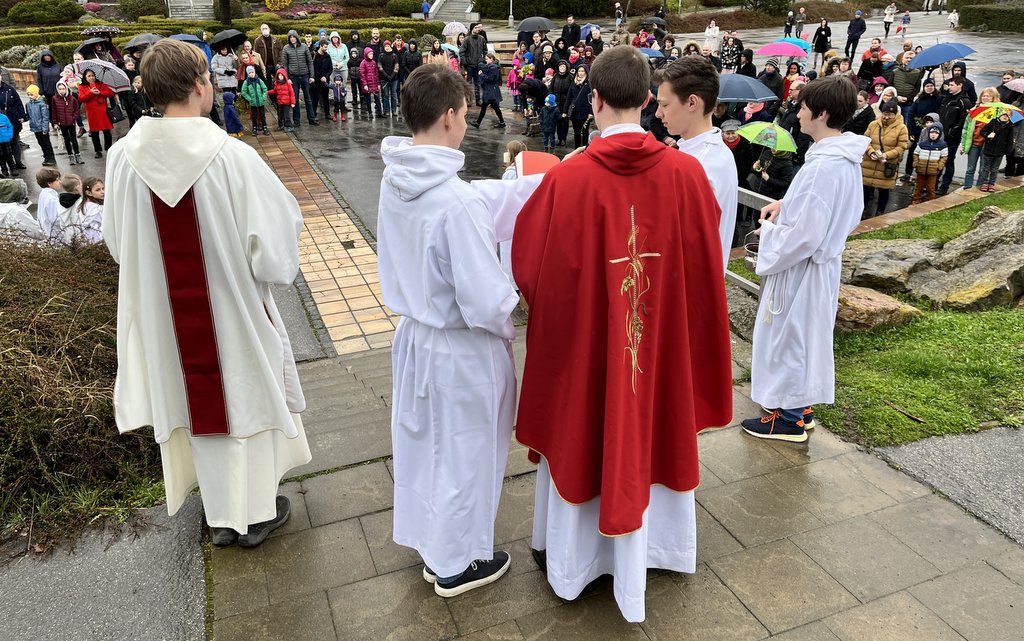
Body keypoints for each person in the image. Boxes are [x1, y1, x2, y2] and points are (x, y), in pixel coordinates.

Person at [512, 44, 731, 623]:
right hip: (657, 352)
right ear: (648, 101)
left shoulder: (566, 179)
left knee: (583, 421)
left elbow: (529, 269)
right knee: (653, 422)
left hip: (590, 353)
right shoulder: (687, 175)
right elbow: (706, 264)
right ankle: (660, 549)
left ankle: (576, 562)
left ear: (595, 99)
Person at [102, 38, 310, 548]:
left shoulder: (121, 159)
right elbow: (274, 250)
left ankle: (220, 515)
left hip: (166, 320)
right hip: (233, 310)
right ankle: (253, 516)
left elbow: (117, 244)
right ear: (200, 85)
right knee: (245, 398)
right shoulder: (232, 157)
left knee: (194, 406)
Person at [376, 61, 544, 597]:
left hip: (416, 338)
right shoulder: (455, 203)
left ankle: (434, 548)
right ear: (450, 116)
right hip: (461, 349)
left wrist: (540, 183)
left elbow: (482, 198)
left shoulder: (398, 177)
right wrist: (516, 308)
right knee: (465, 456)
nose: (467, 124)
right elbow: (486, 300)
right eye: (467, 115)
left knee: (426, 449)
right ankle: (457, 563)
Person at [742, 75, 868, 443]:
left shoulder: (822, 167)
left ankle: (789, 419)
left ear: (822, 113)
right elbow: (840, 210)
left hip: (802, 269)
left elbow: (805, 236)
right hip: (820, 267)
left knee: (790, 339)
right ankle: (801, 407)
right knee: (806, 336)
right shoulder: (840, 158)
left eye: (803, 107)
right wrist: (786, 204)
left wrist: (769, 235)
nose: (797, 114)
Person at [655, 56, 738, 265]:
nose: (658, 113)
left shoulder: (699, 166)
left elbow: (678, 243)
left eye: (664, 105)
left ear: (692, 102)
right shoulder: (716, 152)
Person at [862, 100, 909, 216]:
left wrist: (887, 155)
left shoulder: (902, 128)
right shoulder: (873, 124)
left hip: (886, 164)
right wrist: (871, 152)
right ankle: (862, 212)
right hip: (870, 163)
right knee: (865, 190)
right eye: (884, 114)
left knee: (883, 190)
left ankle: (880, 212)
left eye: (890, 114)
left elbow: (902, 146)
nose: (886, 117)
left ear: (895, 114)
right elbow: (865, 140)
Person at [937, 77, 971, 195]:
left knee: (948, 161)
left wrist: (952, 131)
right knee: (937, 160)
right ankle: (934, 183)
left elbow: (963, 120)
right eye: (949, 85)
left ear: (960, 85)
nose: (949, 87)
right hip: (941, 134)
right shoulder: (946, 98)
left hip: (952, 137)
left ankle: (945, 186)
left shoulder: (964, 101)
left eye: (952, 85)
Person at [961, 86, 999, 189]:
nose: (985, 98)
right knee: (970, 168)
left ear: (993, 98)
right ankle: (967, 187)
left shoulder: (997, 112)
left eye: (988, 96)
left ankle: (979, 188)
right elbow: (966, 129)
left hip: (987, 144)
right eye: (983, 96)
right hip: (974, 143)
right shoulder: (974, 110)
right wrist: (963, 144)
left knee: (983, 169)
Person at [282, 30, 318, 126]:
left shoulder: (304, 47)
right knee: (295, 99)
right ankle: (296, 121)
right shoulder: (286, 48)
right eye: (290, 37)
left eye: (293, 37)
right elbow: (285, 64)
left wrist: (312, 76)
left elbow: (310, 62)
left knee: (308, 98)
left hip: (305, 75)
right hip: (293, 77)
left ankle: (312, 118)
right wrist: (287, 78)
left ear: (297, 37)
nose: (292, 39)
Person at [77, 69, 115, 159]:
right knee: (94, 132)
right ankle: (98, 151)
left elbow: (111, 93)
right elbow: (81, 98)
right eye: (89, 76)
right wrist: (90, 92)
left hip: (103, 111)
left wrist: (100, 92)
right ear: (85, 77)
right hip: (92, 112)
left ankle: (108, 148)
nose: (91, 77)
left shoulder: (101, 84)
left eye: (92, 75)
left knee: (107, 131)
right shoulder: (82, 87)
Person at [978, 110, 1015, 191]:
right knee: (986, 168)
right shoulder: (993, 122)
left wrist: (1008, 150)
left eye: (1008, 115)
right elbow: (982, 132)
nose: (1005, 117)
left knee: (994, 169)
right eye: (1004, 115)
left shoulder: (1010, 126)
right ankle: (984, 183)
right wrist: (988, 135)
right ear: (1000, 115)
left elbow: (1010, 139)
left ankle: (991, 183)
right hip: (988, 150)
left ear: (1010, 117)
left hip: (1000, 151)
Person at [913, 122, 947, 202]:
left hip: (933, 170)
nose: (933, 135)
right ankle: (916, 200)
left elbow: (944, 157)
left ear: (939, 134)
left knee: (931, 188)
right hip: (921, 168)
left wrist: (940, 166)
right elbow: (916, 154)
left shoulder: (942, 145)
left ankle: (930, 202)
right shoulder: (922, 144)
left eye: (936, 133)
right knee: (918, 187)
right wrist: (916, 163)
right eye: (932, 132)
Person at [470, 53, 506, 129]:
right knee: (493, 107)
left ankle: (478, 123)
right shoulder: (492, 66)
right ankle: (501, 122)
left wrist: (482, 74)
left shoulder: (494, 68)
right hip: (490, 90)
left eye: (487, 59)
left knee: (488, 107)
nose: (486, 60)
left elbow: (490, 79)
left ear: (491, 59)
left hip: (491, 91)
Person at [51, 80, 82, 165]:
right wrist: (55, 122)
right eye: (60, 89)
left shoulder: (72, 98)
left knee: (74, 140)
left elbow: (76, 109)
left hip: (71, 122)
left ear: (66, 89)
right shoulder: (54, 99)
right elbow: (54, 111)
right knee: (67, 140)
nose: (62, 91)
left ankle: (77, 154)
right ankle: (70, 155)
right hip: (62, 123)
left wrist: (73, 118)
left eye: (63, 88)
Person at [25, 85, 56, 167]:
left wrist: (45, 128)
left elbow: (45, 117)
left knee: (46, 143)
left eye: (31, 94)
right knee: (41, 143)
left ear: (36, 94)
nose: (30, 96)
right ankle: (46, 157)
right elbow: (28, 115)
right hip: (35, 128)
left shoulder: (42, 104)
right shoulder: (28, 104)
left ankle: (51, 158)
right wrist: (23, 118)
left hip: (42, 128)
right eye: (28, 95)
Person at [566, 64, 593, 148]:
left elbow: (592, 99)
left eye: (582, 71)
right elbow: (569, 97)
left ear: (586, 72)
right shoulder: (573, 83)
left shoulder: (589, 84)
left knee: (585, 131)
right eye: (579, 71)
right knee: (576, 132)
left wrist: (591, 112)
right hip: (575, 112)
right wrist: (565, 110)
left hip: (585, 112)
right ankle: (577, 148)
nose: (580, 73)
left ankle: (585, 149)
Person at [462, 24, 487, 106]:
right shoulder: (467, 39)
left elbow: (485, 50)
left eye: (478, 27)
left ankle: (478, 100)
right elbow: (462, 51)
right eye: (475, 28)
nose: (477, 29)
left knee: (478, 83)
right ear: (472, 29)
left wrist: (483, 60)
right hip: (469, 65)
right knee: (468, 84)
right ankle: (469, 100)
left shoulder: (482, 38)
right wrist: (465, 62)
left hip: (478, 65)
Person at [241, 65, 270, 135]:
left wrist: (263, 97)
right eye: (249, 73)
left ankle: (265, 127)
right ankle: (254, 128)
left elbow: (265, 89)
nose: (251, 74)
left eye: (252, 72)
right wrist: (249, 99)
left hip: (261, 102)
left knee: (262, 115)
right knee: (254, 116)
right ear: (248, 74)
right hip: (253, 102)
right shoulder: (246, 82)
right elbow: (244, 92)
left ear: (254, 72)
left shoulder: (259, 80)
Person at [35, 167, 61, 239]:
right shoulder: (51, 199)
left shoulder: (44, 193)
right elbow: (55, 219)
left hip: (46, 231)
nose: (60, 182)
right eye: (57, 180)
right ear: (49, 183)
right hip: (54, 234)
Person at [77, 176, 103, 244]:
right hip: (99, 240)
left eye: (103, 189)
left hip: (86, 240)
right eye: (98, 190)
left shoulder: (83, 205)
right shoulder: (97, 208)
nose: (102, 192)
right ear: (89, 193)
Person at [268, 68, 295, 132]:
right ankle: (281, 125)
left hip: (287, 102)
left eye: (281, 75)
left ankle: (289, 126)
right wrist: (268, 92)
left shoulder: (288, 84)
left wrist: (293, 102)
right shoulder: (277, 84)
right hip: (280, 102)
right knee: (280, 115)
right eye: (279, 75)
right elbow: (275, 91)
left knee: (286, 115)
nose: (280, 77)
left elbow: (292, 93)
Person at [378, 40, 400, 117]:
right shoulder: (381, 55)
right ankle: (386, 110)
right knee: (385, 95)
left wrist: (392, 76)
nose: (387, 47)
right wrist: (386, 76)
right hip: (384, 78)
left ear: (390, 46)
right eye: (385, 46)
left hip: (394, 78)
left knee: (393, 94)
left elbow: (396, 66)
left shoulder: (394, 56)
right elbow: (379, 66)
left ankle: (394, 110)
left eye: (388, 46)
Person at [360, 47, 383, 119]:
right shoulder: (363, 63)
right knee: (368, 100)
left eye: (372, 54)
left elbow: (376, 74)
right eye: (370, 54)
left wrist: (378, 83)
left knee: (377, 99)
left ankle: (380, 112)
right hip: (367, 84)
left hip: (374, 83)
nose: (371, 55)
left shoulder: (373, 62)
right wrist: (365, 84)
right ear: (366, 54)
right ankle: (370, 113)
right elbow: (362, 75)